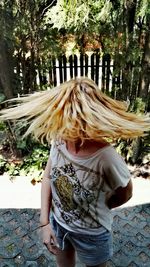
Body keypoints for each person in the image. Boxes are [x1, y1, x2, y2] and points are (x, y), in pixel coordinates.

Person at [0, 77, 149, 267]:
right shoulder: (59, 140)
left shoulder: (107, 158)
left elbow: (126, 192)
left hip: (93, 234)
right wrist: (45, 223)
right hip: (60, 225)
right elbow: (47, 177)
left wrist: (102, 205)